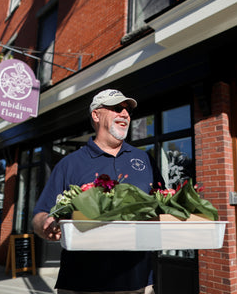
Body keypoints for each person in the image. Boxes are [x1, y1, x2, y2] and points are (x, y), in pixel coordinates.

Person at [32, 89, 163, 294]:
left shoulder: (145, 160)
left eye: (127, 110)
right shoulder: (70, 164)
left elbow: (162, 206)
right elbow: (40, 215)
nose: (125, 114)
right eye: (117, 108)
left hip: (138, 284)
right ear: (96, 114)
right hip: (82, 285)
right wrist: (46, 224)